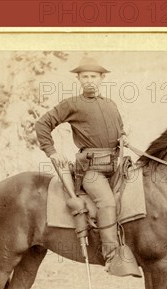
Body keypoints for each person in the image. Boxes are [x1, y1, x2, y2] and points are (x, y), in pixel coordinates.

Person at [35, 56, 130, 275]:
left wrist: (124, 137)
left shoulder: (110, 104)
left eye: (93, 77)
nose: (89, 81)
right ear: (78, 79)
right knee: (106, 202)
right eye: (85, 77)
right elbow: (42, 124)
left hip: (116, 167)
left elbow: (120, 130)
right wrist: (52, 151)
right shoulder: (72, 104)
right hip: (91, 171)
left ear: (102, 78)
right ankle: (111, 255)